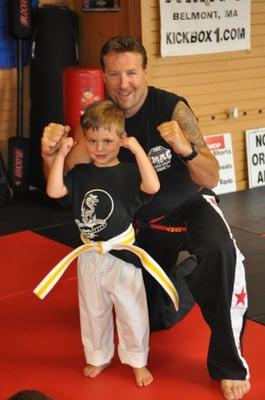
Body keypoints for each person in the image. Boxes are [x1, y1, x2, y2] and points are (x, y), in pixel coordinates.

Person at [41, 35, 250, 399]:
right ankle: (184, 279)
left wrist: (184, 149)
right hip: (137, 228)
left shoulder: (172, 109)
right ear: (103, 76)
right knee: (152, 320)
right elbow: (64, 193)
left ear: (146, 72)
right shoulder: (97, 121)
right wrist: (50, 155)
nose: (124, 83)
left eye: (132, 73)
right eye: (115, 74)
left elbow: (212, 176)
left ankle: (229, 364)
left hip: (189, 206)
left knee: (219, 253)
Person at [45, 100, 161, 387]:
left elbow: (153, 187)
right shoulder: (82, 173)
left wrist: (137, 150)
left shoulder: (128, 173)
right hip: (90, 254)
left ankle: (137, 360)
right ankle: (99, 355)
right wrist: (61, 155)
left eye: (108, 140)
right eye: (93, 140)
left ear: (120, 140)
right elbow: (54, 190)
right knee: (93, 309)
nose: (99, 147)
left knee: (131, 310)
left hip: (122, 254)